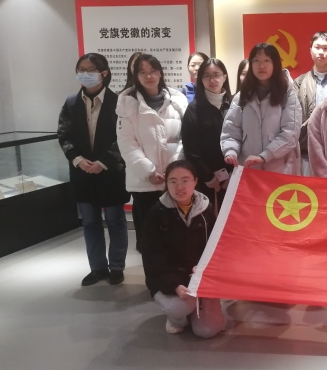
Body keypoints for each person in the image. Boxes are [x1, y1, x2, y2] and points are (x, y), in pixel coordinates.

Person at [58, 53, 130, 286]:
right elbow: (63, 135)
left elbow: (125, 136)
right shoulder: (71, 103)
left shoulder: (118, 102)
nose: (85, 74)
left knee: (115, 221)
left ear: (104, 73)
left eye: (91, 69)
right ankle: (97, 268)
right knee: (90, 223)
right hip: (82, 172)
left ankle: (116, 267)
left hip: (111, 172)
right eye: (81, 69)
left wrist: (104, 161)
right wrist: (78, 159)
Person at [140, 160, 225, 338]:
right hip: (171, 279)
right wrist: (173, 285)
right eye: (173, 181)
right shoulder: (156, 214)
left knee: (207, 331)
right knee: (178, 308)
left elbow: (217, 246)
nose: (180, 187)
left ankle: (197, 305)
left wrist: (205, 270)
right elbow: (152, 257)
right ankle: (177, 318)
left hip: (198, 277)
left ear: (195, 181)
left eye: (185, 180)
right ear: (166, 184)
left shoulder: (207, 210)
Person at [116, 53, 188, 249]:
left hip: (175, 182)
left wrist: (174, 170)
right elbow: (127, 143)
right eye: (143, 72)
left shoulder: (178, 100)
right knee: (150, 239)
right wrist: (148, 171)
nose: (149, 76)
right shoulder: (127, 104)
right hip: (144, 183)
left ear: (160, 73)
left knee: (176, 237)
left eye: (153, 71)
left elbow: (186, 137)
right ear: (136, 76)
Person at [221, 42, 301, 174]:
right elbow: (231, 130)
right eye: (256, 60)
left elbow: (290, 133)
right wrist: (231, 151)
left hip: (279, 168)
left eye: (267, 60)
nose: (261, 65)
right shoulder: (242, 96)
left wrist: (265, 156)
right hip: (249, 168)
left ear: (275, 64)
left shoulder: (287, 95)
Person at [181, 58, 233, 213]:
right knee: (209, 220)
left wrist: (233, 173)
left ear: (224, 77)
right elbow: (191, 149)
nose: (212, 80)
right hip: (206, 181)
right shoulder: (194, 109)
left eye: (216, 75)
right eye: (206, 76)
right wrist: (209, 177)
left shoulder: (234, 104)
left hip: (233, 176)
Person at [293, 32, 327, 176]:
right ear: (310, 50)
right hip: (307, 152)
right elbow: (292, 118)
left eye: (326, 48)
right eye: (317, 47)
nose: (321, 52)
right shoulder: (299, 83)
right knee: (308, 190)